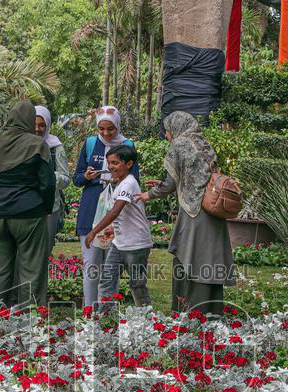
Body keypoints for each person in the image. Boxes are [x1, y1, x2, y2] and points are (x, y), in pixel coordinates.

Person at [143, 112, 235, 317]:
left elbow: (169, 185)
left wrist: (147, 195)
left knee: (190, 259)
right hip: (212, 210)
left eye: (167, 131)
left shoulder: (179, 144)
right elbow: (196, 178)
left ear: (175, 127)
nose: (167, 136)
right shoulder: (202, 142)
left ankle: (190, 313)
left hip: (194, 215)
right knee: (209, 260)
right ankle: (212, 311)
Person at [0, 100, 57, 308]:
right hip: (28, 213)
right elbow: (47, 184)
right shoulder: (37, 144)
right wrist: (47, 208)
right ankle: (30, 318)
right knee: (31, 270)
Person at [72, 105, 138, 307]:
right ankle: (89, 310)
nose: (106, 133)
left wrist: (118, 180)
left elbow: (134, 179)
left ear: (118, 125)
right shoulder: (91, 143)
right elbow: (77, 179)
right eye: (101, 128)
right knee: (91, 264)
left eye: (111, 129)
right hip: (91, 208)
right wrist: (87, 176)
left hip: (117, 210)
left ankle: (108, 311)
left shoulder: (127, 145)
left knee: (111, 267)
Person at [85, 144, 152, 311]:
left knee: (137, 285)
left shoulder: (129, 183)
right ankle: (105, 320)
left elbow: (116, 211)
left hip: (136, 244)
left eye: (115, 163)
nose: (110, 167)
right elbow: (124, 215)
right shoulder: (121, 182)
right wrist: (113, 229)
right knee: (107, 281)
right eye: (109, 163)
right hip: (119, 243)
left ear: (129, 164)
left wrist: (93, 232)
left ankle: (146, 318)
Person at [35, 105, 70, 254]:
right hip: (24, 206)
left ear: (48, 125)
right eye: (34, 124)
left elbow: (65, 179)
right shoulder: (21, 144)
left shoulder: (55, 147)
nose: (37, 129)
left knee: (43, 253)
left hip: (49, 208)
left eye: (42, 125)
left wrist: (48, 175)